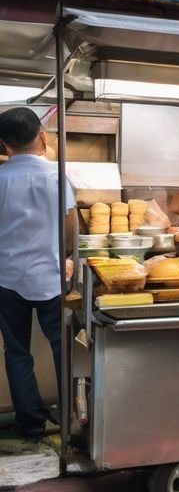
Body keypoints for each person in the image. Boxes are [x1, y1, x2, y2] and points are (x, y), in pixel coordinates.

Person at [0, 107, 76, 438]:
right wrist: (69, 255)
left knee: (17, 351)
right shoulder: (57, 176)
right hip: (52, 276)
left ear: (4, 145)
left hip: (7, 278)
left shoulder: (0, 179)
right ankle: (74, 417)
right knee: (64, 349)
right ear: (42, 136)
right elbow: (70, 222)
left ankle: (30, 422)